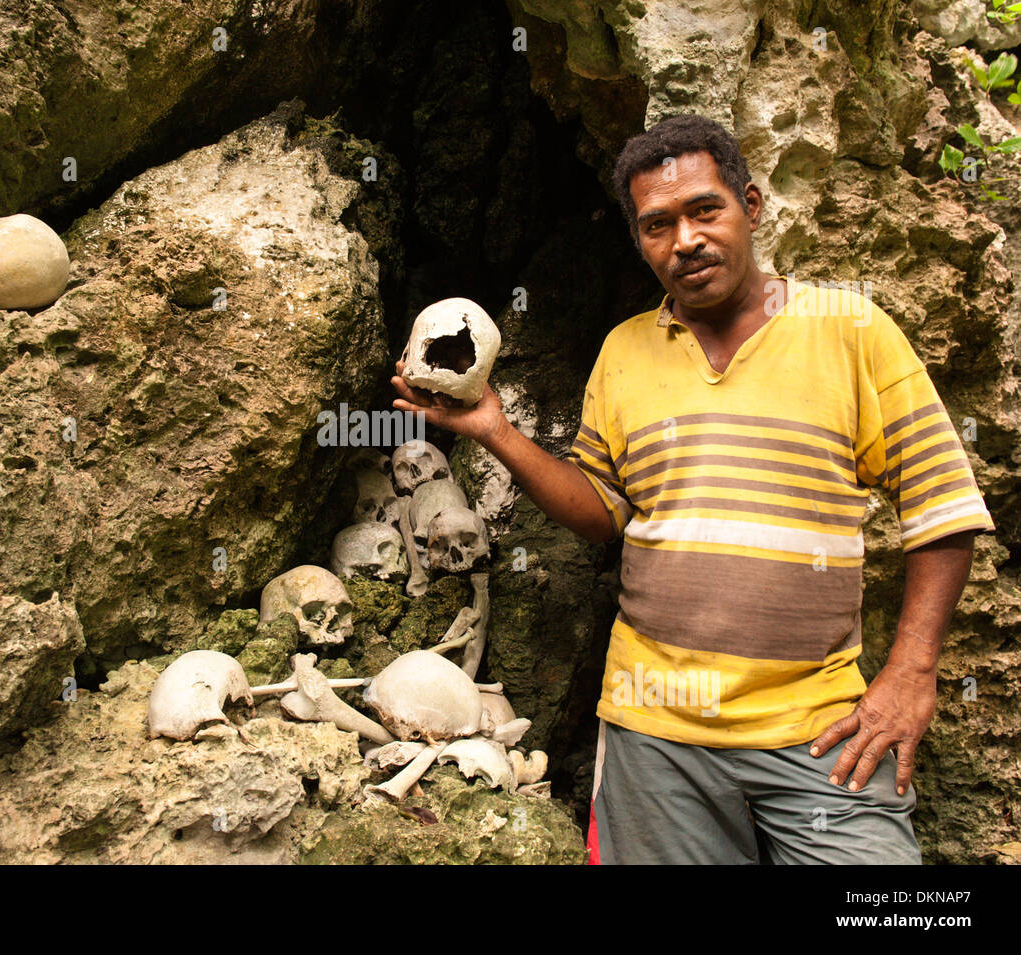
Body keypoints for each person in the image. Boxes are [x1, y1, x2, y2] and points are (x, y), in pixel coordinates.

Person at [389, 114, 995, 864]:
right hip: (654, 736)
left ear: (752, 204)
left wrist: (912, 671)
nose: (685, 240)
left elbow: (944, 505)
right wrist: (494, 430)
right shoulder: (625, 352)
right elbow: (603, 513)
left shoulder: (851, 330)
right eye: (656, 225)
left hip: (824, 730)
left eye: (705, 209)